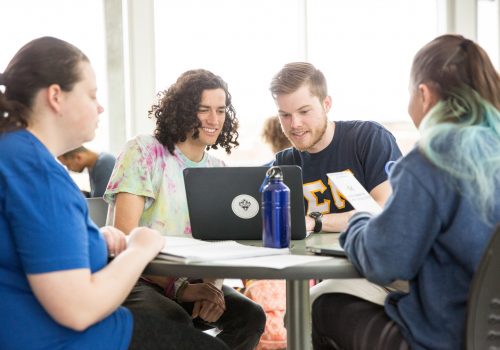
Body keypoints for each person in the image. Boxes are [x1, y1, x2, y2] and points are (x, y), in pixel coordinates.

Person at [0, 36, 230, 350]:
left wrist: (95, 237)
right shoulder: (37, 172)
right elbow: (78, 309)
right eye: (92, 94)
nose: (100, 106)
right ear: (56, 96)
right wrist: (139, 246)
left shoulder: (14, 156)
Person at [312, 34, 500, 350]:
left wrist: (358, 222)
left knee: (321, 305)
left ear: (423, 94)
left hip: (443, 339)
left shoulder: (433, 158)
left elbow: (385, 261)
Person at [104, 69, 266, 350]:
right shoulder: (144, 151)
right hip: (135, 279)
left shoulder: (218, 170)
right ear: (182, 110)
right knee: (174, 319)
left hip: (191, 283)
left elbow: (221, 244)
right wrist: (181, 289)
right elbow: (124, 238)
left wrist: (212, 287)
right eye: (203, 110)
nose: (214, 120)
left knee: (250, 317)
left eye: (220, 110)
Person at [270, 62, 402, 233]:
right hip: (307, 258)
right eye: (285, 115)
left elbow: (386, 210)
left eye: (304, 112)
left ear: (326, 104)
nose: (295, 124)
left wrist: (315, 222)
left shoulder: (369, 138)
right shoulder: (284, 163)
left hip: (365, 257)